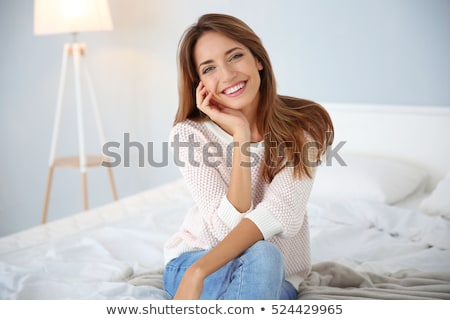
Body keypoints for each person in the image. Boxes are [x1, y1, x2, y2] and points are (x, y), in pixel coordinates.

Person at [163, 13, 334, 300]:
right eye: (209, 69)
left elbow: (282, 215)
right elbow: (222, 230)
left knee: (264, 255)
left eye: (235, 56)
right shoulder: (190, 134)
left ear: (258, 59)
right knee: (262, 256)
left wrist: (199, 273)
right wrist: (241, 137)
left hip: (271, 272)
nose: (227, 75)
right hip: (197, 258)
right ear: (199, 83)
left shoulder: (305, 125)